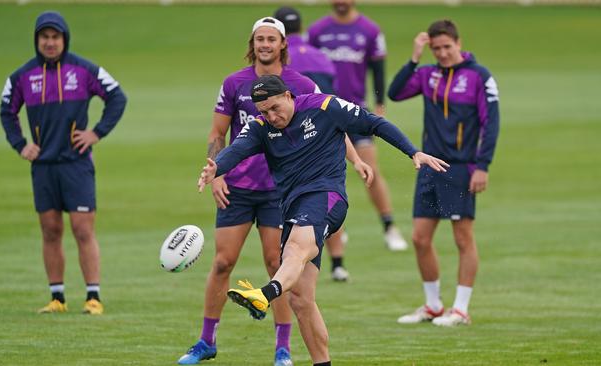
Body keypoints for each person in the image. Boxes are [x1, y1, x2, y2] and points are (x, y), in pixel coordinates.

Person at [198, 75, 448, 365]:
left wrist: (412, 151)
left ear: (289, 96)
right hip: (292, 208)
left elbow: (374, 123)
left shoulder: (325, 106)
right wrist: (216, 168)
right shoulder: (260, 127)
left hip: (326, 197)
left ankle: (265, 294)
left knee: (294, 250)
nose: (271, 116)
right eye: (264, 111)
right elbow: (235, 151)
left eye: (275, 108)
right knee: (301, 300)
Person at [177, 17, 329, 366]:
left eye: (271, 39)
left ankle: (282, 349)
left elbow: (326, 122)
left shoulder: (301, 83)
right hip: (238, 188)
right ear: (252, 43)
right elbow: (218, 134)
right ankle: (206, 342)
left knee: (277, 264)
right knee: (222, 262)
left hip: (281, 190)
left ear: (282, 44)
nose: (264, 44)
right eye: (259, 39)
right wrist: (217, 174)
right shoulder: (234, 83)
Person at [0, 11, 127, 315]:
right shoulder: (22, 77)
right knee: (50, 230)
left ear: (64, 39)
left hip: (76, 164)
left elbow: (117, 96)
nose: (50, 42)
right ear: (37, 40)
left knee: (83, 230)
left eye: (55, 37)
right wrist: (20, 144)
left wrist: (96, 132)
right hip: (43, 166)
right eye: (45, 37)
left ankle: (93, 297)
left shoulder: (83, 70)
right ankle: (57, 298)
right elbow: (6, 110)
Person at [388, 19, 500, 326]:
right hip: (428, 166)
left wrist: (482, 166)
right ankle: (434, 305)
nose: (441, 53)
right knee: (420, 238)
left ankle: (461, 309)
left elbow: (491, 124)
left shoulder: (479, 77)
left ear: (458, 43)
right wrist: (414, 57)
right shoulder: (427, 74)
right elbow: (395, 93)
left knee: (462, 238)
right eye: (435, 48)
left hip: (461, 168)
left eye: (446, 47)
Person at [308, 0, 410, 252]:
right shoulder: (317, 31)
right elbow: (307, 70)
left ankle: (389, 226)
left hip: (355, 111)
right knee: (322, 174)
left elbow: (378, 68)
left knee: (370, 169)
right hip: (323, 112)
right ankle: (333, 228)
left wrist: (379, 104)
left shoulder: (370, 30)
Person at [274, 6, 351, 282]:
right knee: (328, 197)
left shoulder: (284, 67)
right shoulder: (322, 57)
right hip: (330, 134)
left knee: (311, 206)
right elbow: (333, 101)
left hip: (299, 142)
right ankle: (338, 262)